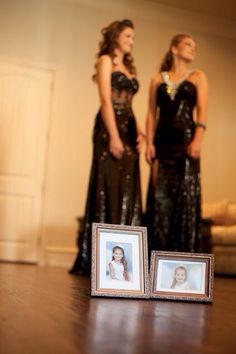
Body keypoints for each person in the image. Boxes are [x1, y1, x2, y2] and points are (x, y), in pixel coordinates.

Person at [69, 19, 144, 276]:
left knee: (128, 191)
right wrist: (114, 135)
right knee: (107, 187)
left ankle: (127, 261)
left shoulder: (128, 67)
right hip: (108, 127)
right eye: (127, 36)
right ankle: (100, 260)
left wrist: (140, 131)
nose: (131, 41)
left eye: (133, 37)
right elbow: (105, 99)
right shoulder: (105, 61)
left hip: (129, 126)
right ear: (115, 36)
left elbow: (131, 104)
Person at [145, 34, 208, 255]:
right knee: (160, 199)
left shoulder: (199, 76)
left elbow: (202, 112)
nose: (193, 49)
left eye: (195, 46)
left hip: (186, 144)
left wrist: (197, 139)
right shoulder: (157, 79)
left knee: (184, 199)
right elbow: (151, 114)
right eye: (189, 44)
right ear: (174, 48)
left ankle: (181, 259)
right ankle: (156, 257)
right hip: (161, 145)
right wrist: (149, 143)